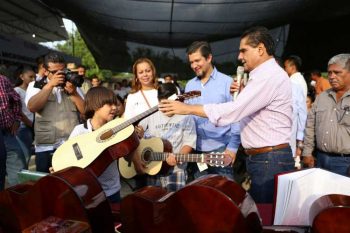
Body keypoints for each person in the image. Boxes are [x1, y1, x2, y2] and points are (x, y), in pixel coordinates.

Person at [160, 26, 295, 203]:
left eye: (243, 51)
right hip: (220, 153)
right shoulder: (191, 86)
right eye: (191, 62)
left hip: (258, 157)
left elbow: (234, 112)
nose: (239, 57)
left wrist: (188, 109)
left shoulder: (264, 77)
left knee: (234, 204)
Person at [183, 41, 240, 181]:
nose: (194, 66)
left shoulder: (228, 83)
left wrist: (232, 148)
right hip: (197, 152)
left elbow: (237, 117)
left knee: (225, 194)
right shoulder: (190, 85)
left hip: (222, 149)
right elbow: (187, 117)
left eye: (197, 60)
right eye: (191, 62)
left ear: (209, 58)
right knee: (202, 195)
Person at [25, 52, 85, 173]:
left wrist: (74, 93)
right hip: (45, 146)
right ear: (45, 71)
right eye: (54, 72)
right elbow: (32, 107)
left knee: (71, 182)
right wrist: (50, 85)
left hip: (70, 144)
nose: (59, 75)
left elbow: (85, 112)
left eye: (62, 71)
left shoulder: (73, 85)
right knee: (47, 185)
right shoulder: (35, 85)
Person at [138, 83, 196, 191]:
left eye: (169, 104)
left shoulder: (186, 116)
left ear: (176, 99)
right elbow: (139, 133)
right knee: (154, 203)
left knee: (174, 204)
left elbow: (189, 142)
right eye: (162, 104)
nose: (165, 108)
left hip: (176, 171)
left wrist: (178, 157)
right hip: (153, 168)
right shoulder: (151, 114)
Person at [69, 86, 122, 202]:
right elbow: (70, 156)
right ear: (95, 105)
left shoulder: (117, 130)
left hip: (112, 190)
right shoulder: (79, 131)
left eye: (115, 104)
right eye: (109, 104)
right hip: (88, 192)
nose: (114, 108)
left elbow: (127, 157)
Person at [302, 54, 350, 176]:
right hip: (320, 159)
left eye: (337, 72)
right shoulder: (322, 97)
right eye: (329, 73)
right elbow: (310, 126)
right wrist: (307, 152)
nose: (332, 76)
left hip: (345, 163)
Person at [124, 58, 159, 188]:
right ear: (136, 76)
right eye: (141, 72)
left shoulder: (162, 93)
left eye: (148, 71)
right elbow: (128, 124)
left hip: (161, 145)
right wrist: (137, 132)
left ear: (153, 72)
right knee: (143, 191)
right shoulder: (133, 97)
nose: (145, 74)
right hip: (141, 148)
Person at [0, 74, 26, 187]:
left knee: (17, 167)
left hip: (7, 133)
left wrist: (16, 119)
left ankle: (15, 200)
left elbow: (15, 100)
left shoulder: (2, 79)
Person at [14, 66, 35, 165]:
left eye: (34, 77)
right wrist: (30, 123)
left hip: (33, 125)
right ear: (22, 77)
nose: (33, 79)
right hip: (24, 127)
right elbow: (18, 112)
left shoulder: (33, 90)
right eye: (30, 77)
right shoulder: (17, 91)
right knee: (25, 154)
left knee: (29, 154)